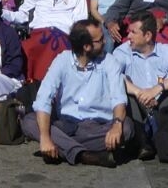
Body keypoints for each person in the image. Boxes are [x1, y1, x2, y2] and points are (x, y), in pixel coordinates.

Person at [25, 18, 132, 167]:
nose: (105, 42)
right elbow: (44, 99)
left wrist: (116, 125)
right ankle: (85, 155)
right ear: (87, 46)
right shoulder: (62, 60)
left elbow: (118, 98)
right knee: (30, 121)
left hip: (99, 126)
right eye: (100, 40)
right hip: (66, 124)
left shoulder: (109, 61)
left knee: (126, 128)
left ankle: (62, 147)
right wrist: (44, 137)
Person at [109, 12, 168, 160]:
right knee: (122, 86)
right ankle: (142, 142)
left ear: (147, 36)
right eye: (129, 31)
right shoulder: (123, 51)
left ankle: (164, 138)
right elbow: (112, 74)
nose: (128, 36)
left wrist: (157, 89)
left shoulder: (167, 51)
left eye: (133, 32)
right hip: (137, 108)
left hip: (162, 105)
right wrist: (139, 92)